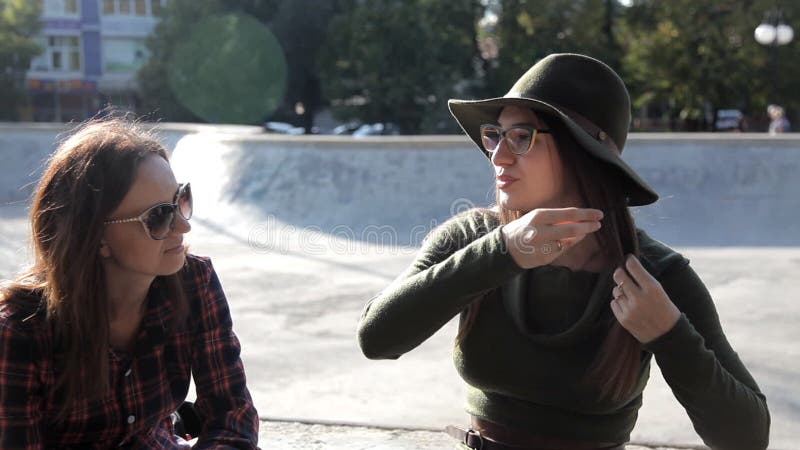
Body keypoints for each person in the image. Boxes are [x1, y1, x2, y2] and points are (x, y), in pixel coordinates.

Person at [357, 54, 769, 450]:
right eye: (494, 135)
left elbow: (747, 438)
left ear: (582, 153)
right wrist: (502, 252)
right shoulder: (473, 238)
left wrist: (670, 334)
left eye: (521, 136)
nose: (497, 155)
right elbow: (377, 338)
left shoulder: (656, 274)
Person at [0, 118, 259, 448]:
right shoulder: (21, 331)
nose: (183, 226)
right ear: (96, 236)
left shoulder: (195, 281)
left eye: (181, 200)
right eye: (158, 216)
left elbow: (233, 416)